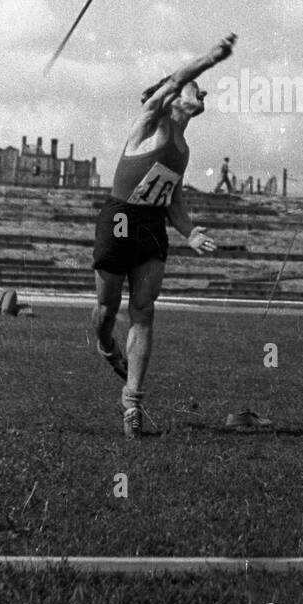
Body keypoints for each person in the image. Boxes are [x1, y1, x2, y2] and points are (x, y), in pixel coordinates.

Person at [92, 33, 236, 438]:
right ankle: (105, 344)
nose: (202, 89)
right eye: (196, 87)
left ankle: (132, 404)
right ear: (173, 97)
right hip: (120, 219)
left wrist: (189, 232)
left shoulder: (183, 148)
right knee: (106, 311)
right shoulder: (151, 120)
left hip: (152, 225)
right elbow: (175, 81)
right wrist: (209, 58)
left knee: (144, 310)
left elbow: (172, 197)